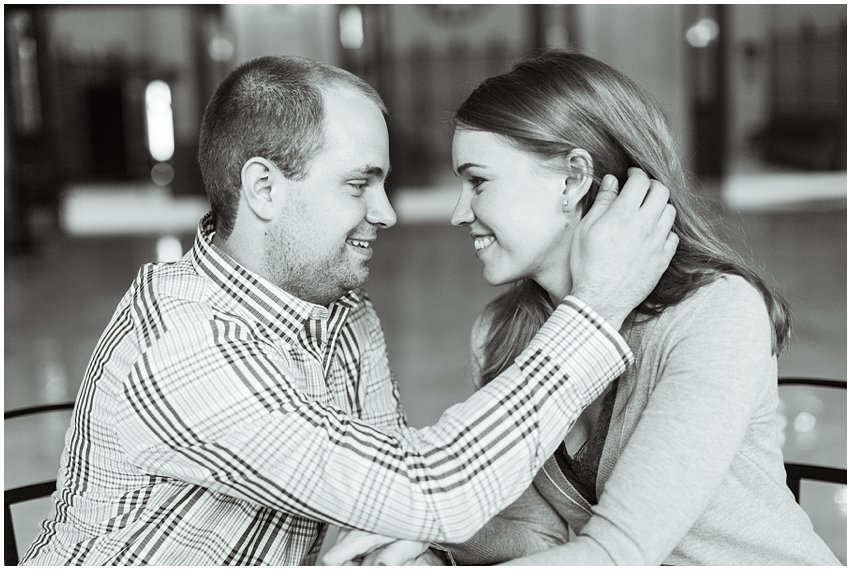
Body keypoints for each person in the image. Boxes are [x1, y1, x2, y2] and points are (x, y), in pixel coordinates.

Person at [20, 55, 677, 565]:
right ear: (263, 189)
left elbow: (385, 512)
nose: (386, 213)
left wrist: (413, 545)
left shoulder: (340, 313)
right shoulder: (185, 347)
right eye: (359, 183)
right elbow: (429, 490)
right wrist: (595, 308)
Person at [323, 49, 841, 565]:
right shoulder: (504, 329)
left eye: (478, 181)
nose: (461, 212)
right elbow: (541, 531)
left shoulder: (716, 313)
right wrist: (434, 539)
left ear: (573, 179)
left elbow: (618, 553)